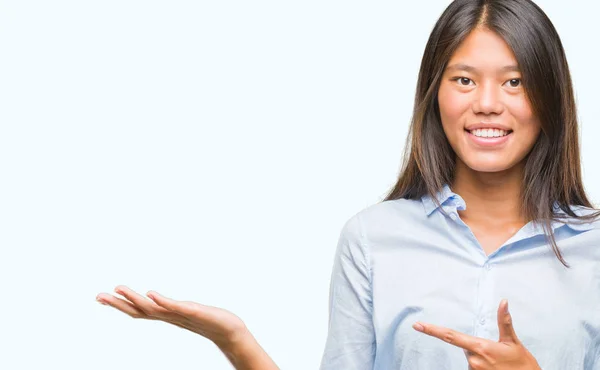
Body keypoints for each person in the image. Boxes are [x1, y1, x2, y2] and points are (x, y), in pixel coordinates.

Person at [96, 0, 600, 369]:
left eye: (514, 81)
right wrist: (235, 340)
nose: (487, 102)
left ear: (550, 97)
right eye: (464, 79)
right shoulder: (372, 239)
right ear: (434, 94)